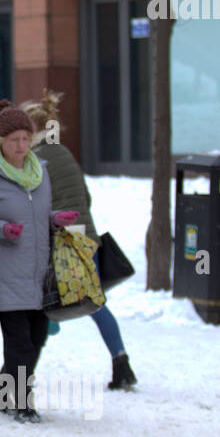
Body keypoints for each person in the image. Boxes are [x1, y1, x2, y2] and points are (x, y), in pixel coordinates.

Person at [0, 99, 79, 423]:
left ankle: (4, 383)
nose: (22, 146)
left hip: (38, 273)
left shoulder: (40, 174)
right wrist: (0, 229)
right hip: (5, 273)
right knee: (20, 343)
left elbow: (37, 216)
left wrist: (55, 218)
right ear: (0, 142)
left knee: (38, 337)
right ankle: (20, 402)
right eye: (15, 140)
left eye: (26, 139)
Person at [22, 89, 136, 390]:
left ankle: (19, 377)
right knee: (95, 302)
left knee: (41, 308)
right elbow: (85, 196)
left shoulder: (36, 159)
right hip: (86, 238)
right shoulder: (64, 152)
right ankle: (121, 362)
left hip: (61, 244)